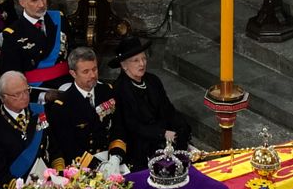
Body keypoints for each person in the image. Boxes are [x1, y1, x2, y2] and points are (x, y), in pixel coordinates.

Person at [109, 34, 191, 173]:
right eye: (136, 60)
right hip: (139, 144)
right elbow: (132, 126)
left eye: (143, 58)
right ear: (124, 66)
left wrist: (181, 128)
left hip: (165, 138)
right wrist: (162, 133)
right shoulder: (120, 89)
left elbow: (168, 110)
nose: (142, 64)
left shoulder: (153, 80)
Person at [45, 47, 126, 170]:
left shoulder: (107, 91)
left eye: (94, 69)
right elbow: (68, 146)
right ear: (73, 73)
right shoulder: (62, 106)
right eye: (86, 71)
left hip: (111, 157)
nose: (92, 75)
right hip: (84, 166)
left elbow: (118, 127)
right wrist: (98, 166)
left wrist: (116, 157)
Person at [0, 71, 50, 189]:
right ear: (3, 97)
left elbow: (53, 146)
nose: (24, 96)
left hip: (47, 179)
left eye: (26, 90)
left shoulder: (38, 111)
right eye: (17, 94)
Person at [0, 0, 69, 88]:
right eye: (34, 0)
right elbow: (12, 77)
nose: (41, 4)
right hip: (37, 90)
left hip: (66, 81)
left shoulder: (59, 18)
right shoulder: (13, 34)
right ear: (22, 2)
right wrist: (42, 96)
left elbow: (72, 53)